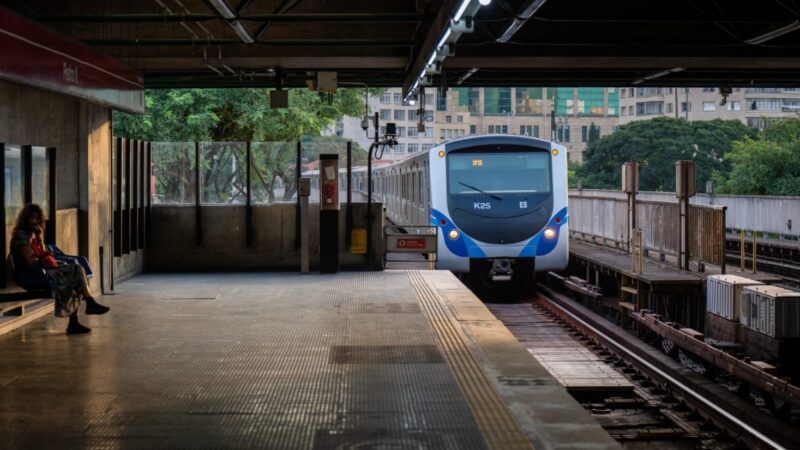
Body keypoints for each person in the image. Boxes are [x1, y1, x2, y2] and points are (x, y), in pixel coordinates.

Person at [10, 204, 109, 334]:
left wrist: (40, 240)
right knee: (74, 273)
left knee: (76, 272)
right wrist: (42, 253)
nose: (34, 221)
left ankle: (79, 316)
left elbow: (41, 255)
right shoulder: (21, 236)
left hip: (40, 271)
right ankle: (85, 308)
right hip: (30, 275)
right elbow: (29, 261)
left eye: (37, 219)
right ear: (25, 219)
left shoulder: (32, 235)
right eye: (31, 218)